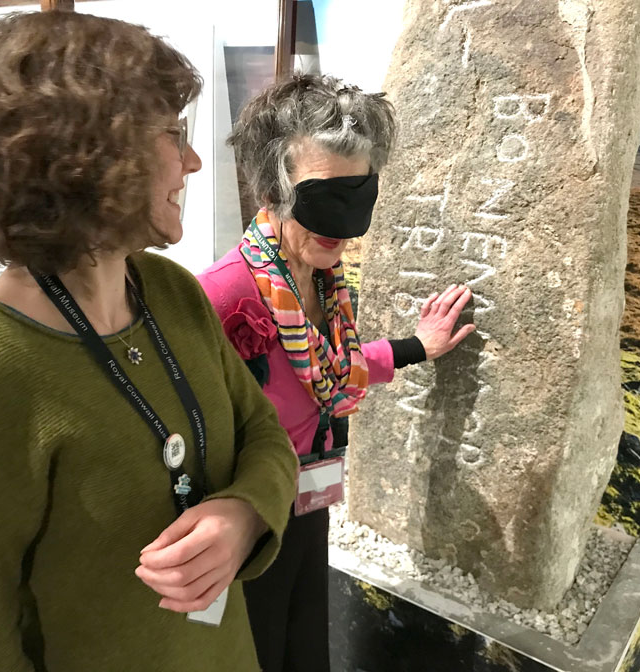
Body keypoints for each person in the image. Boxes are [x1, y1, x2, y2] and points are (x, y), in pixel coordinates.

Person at [0, 11, 297, 672]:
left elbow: (264, 436)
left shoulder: (170, 292)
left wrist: (243, 513)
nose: (194, 160)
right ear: (85, 153)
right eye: (173, 134)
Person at [197, 74, 476, 672]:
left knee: (305, 645)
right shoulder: (222, 299)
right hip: (250, 516)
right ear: (274, 187)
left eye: (360, 194)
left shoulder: (323, 280)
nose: (344, 224)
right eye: (326, 196)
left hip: (311, 496)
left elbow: (329, 370)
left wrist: (415, 347)